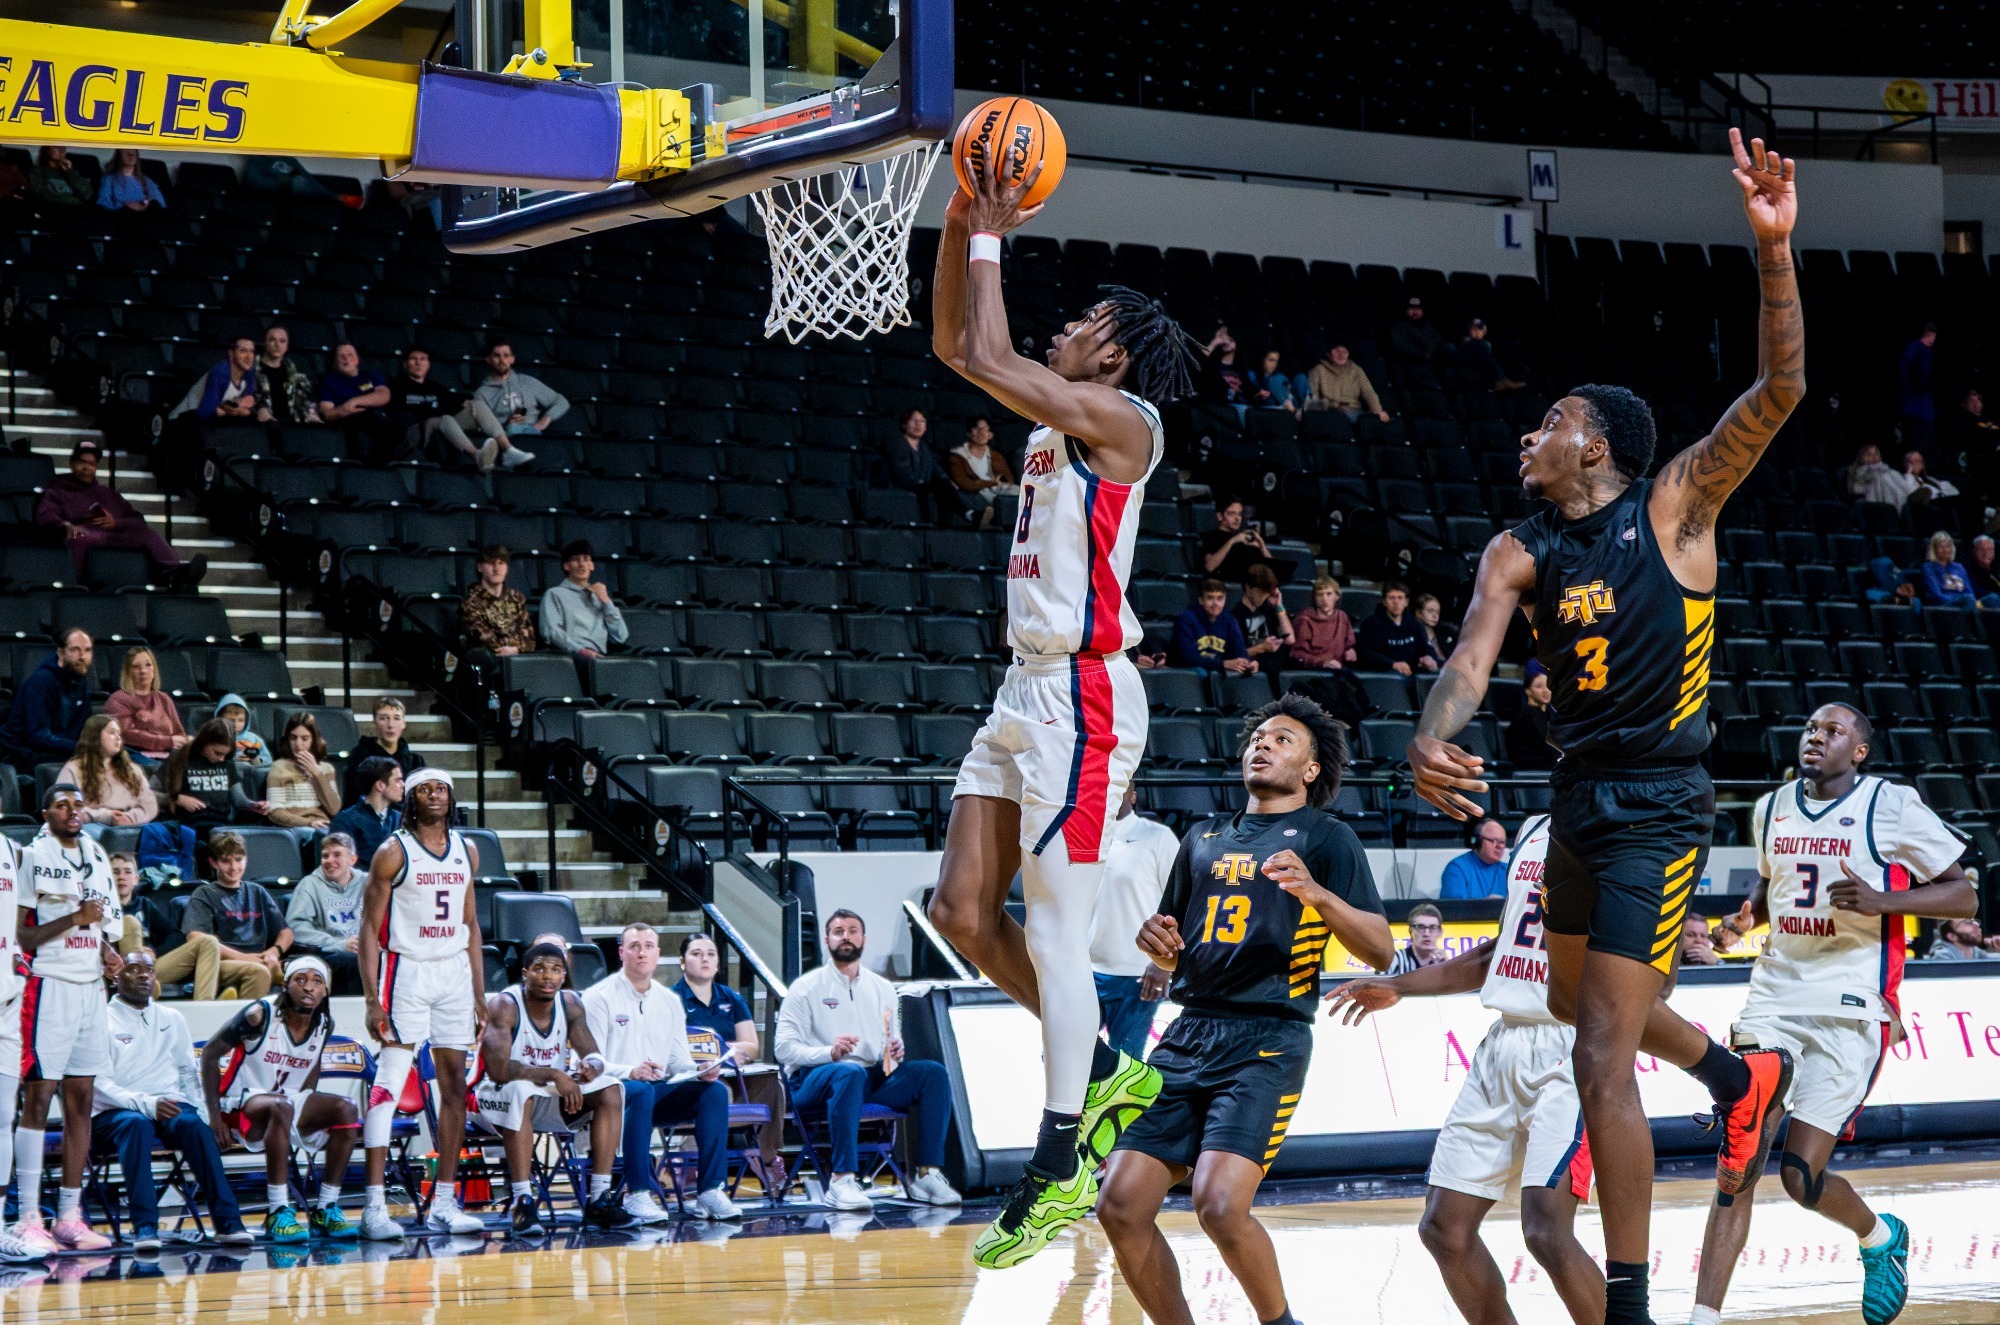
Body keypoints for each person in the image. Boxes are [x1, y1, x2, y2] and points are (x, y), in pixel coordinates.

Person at [1406, 129, 1803, 1325]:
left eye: (1551, 418)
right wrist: (1429, 730)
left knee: (1596, 1052)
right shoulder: (1515, 547)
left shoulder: (1673, 505)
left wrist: (1772, 253)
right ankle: (1737, 1076)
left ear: (1600, 441)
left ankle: (1627, 1304)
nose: (1530, 433)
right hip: (1573, 798)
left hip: (1660, 804)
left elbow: (1778, 391)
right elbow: (1470, 659)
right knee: (1592, 1011)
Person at [928, 154, 1198, 1268]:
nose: (1065, 329)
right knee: (956, 907)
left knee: (1047, 926)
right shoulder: (1052, 416)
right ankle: (1096, 1074)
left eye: (1084, 321)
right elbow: (957, 347)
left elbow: (986, 350)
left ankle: (1058, 1156)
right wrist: (957, 220)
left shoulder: (1121, 420)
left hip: (1083, 690)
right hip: (1021, 684)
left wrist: (990, 231)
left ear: (1115, 355)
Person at [1097, 695, 1391, 1320]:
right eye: (1258, 736)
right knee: (1119, 1205)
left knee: (1220, 1205)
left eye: (1283, 740)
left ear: (1311, 770)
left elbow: (1382, 950)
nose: (1263, 744)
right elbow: (1173, 940)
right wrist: (1159, 949)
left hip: (1268, 1039)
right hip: (1189, 1032)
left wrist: (1316, 894)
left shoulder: (1327, 837)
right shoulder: (1201, 836)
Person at [1690, 703, 1976, 1325]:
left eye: (1833, 731)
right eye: (1812, 728)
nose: (1816, 737)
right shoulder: (1771, 808)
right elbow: (1773, 892)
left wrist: (1884, 900)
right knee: (1740, 1159)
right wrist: (1745, 920)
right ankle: (1701, 1317)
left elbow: (1964, 892)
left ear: (1861, 751)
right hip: (1774, 1000)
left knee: (1800, 1178)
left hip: (1850, 1008)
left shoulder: (1890, 805)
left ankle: (1879, 1237)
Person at [1326, 817, 1604, 1325]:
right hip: (1503, 1043)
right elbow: (1493, 956)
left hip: (1568, 1047)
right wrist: (1401, 986)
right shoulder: (1536, 827)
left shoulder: (1619, 827)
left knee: (1546, 1232)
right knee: (1443, 1229)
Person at [357, 768, 486, 1239]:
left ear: (452, 797)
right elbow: (369, 930)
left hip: (452, 972)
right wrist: (373, 999)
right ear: (409, 799)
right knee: (390, 1081)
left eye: (442, 788)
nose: (435, 795)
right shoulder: (393, 851)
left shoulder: (467, 850)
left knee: (454, 1085)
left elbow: (471, 926)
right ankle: (374, 1208)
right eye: (425, 789)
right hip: (406, 971)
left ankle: (446, 1202)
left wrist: (478, 991)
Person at [776, 911, 962, 1214]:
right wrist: (828, 1052)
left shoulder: (883, 987)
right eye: (838, 931)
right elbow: (783, 1049)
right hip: (814, 1080)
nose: (845, 936)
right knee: (847, 1072)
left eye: (852, 931)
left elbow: (888, 1042)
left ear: (864, 939)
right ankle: (842, 1180)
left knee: (932, 1073)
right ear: (827, 940)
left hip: (869, 1077)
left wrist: (895, 1052)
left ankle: (927, 1175)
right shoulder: (805, 987)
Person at [13, 784, 122, 1253]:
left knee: (82, 1102)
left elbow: (102, 921)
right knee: (38, 1101)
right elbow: (23, 935)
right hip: (48, 986)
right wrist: (75, 920)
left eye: (78, 804)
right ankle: (27, 1217)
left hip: (90, 990)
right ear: (45, 812)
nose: (72, 811)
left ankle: (70, 1216)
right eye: (62, 805)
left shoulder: (97, 853)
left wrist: (107, 948)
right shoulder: (31, 857)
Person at [578, 922, 740, 1224]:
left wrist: (699, 1069)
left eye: (649, 946)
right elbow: (592, 1061)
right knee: (639, 1090)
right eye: (635, 946)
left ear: (658, 954)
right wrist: (631, 1071)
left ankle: (710, 1190)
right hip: (611, 1095)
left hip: (656, 1091)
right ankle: (638, 1193)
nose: (642, 953)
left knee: (715, 1091)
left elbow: (679, 1060)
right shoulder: (597, 997)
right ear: (622, 953)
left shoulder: (669, 1001)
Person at [95, 949, 254, 1253]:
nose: (144, 975)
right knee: (136, 1125)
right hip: (117, 1111)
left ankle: (228, 1223)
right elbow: (97, 1084)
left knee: (194, 1125)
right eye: (134, 969)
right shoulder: (100, 1019)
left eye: (149, 970)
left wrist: (208, 1117)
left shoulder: (172, 1018)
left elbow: (187, 1073)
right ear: (115, 976)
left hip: (169, 1103)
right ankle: (144, 1226)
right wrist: (145, 1103)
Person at [201, 956, 362, 1242]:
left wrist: (309, 1098)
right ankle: (278, 1211)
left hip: (286, 1102)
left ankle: (326, 1207)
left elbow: (312, 1064)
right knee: (282, 1106)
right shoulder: (258, 1015)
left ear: (325, 991)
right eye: (300, 979)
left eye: (317, 981)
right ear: (286, 985)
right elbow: (210, 1055)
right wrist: (214, 1117)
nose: (309, 987)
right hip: (241, 1102)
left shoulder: (324, 1023)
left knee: (346, 1109)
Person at [476, 943, 631, 1236]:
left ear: (563, 976)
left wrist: (591, 1069)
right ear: (525, 974)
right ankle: (523, 1201)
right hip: (492, 1098)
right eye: (539, 969)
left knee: (611, 1088)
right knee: (520, 1091)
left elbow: (594, 1055)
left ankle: (598, 1198)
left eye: (556, 970)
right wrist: (554, 1073)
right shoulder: (504, 1004)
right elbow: (498, 1071)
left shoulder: (571, 1003)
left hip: (545, 1095)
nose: (548, 976)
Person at [673, 931, 788, 1193]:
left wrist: (716, 1050)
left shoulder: (731, 998)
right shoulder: (671, 999)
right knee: (717, 1091)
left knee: (774, 1083)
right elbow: (674, 1048)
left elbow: (751, 1045)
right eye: (696, 953)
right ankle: (692, 1160)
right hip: (694, 1078)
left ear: (717, 964)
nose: (705, 959)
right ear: (682, 962)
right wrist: (721, 1052)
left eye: (711, 954)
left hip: (736, 1074)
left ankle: (766, 1158)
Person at [1088, 786, 1181, 1059]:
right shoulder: (1079, 838)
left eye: (1120, 785)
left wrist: (1164, 964)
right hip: (1084, 971)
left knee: (1126, 1065)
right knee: (1063, 1057)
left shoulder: (1158, 838)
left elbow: (1182, 902)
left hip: (1139, 975)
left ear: (1133, 795)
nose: (1109, 791)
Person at [36, 439, 203, 586]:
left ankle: (176, 574)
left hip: (113, 535)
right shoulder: (56, 489)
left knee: (146, 532)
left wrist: (117, 522)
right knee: (78, 536)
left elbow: (137, 519)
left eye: (91, 464)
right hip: (84, 534)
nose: (86, 468)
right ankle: (77, 586)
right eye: (82, 462)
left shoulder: (108, 494)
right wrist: (64, 524)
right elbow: (45, 515)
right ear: (72, 464)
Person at [182, 832, 293, 1000]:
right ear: (213, 863)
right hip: (220, 964)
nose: (234, 867)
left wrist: (274, 951)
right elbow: (196, 938)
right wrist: (249, 959)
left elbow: (286, 933)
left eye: (239, 859)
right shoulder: (204, 893)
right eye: (226, 861)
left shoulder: (257, 891)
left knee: (309, 969)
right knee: (259, 971)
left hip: (261, 958)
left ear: (246, 859)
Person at [0, 832, 39, 1261]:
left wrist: (18, 952)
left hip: (7, 1000)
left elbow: (21, 917)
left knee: (3, 1116)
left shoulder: (12, 849)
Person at [385, 346, 512, 473]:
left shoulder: (435, 387)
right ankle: (476, 455)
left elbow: (459, 403)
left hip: (437, 430)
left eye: (423, 359)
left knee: (477, 406)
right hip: (411, 433)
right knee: (444, 419)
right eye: (413, 359)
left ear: (428, 364)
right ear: (405, 364)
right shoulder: (395, 384)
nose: (418, 362)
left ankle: (509, 450)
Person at [0, 629, 94, 789]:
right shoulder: (40, 682)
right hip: (22, 754)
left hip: (58, 750)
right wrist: (80, 747)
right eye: (75, 650)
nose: (82, 656)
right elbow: (37, 737)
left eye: (87, 650)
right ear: (61, 652)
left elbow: (86, 727)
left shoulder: (80, 681)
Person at [287, 833, 366, 993]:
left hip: (366, 948)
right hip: (328, 952)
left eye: (337, 855)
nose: (330, 860)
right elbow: (295, 927)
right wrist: (339, 944)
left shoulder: (369, 883)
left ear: (352, 859)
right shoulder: (309, 885)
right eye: (325, 856)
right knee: (350, 961)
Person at [58, 714, 158, 839]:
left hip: (133, 825)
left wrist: (130, 818)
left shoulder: (133, 770)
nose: (117, 738)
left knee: (161, 833)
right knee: (90, 834)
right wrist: (107, 816)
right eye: (112, 733)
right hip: (94, 825)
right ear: (95, 737)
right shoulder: (73, 769)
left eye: (119, 734)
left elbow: (149, 805)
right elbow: (65, 807)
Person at [159, 719, 256, 829]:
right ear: (204, 742)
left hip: (221, 825)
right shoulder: (180, 757)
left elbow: (239, 800)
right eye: (217, 753)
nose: (221, 759)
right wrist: (176, 799)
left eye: (225, 755)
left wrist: (253, 805)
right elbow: (150, 794)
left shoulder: (226, 762)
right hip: (187, 825)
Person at [473, 338, 557, 466]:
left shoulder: (526, 381)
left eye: (506, 356)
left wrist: (546, 419)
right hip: (507, 437)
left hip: (531, 433)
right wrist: (507, 423)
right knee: (512, 429)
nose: (502, 360)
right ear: (488, 360)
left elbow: (560, 401)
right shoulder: (481, 393)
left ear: (512, 359)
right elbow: (485, 425)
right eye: (497, 356)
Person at [540, 540, 628, 660]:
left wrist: (607, 602)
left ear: (592, 565)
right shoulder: (554, 594)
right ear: (566, 566)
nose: (582, 564)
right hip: (571, 655)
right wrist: (580, 651)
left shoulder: (599, 596)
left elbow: (620, 636)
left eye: (586, 559)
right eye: (576, 560)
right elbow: (551, 633)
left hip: (599, 657)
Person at [265, 711, 341, 845]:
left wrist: (316, 774)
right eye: (293, 738)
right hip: (294, 829)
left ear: (314, 740)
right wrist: (309, 823)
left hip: (323, 828)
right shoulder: (279, 767)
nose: (298, 745)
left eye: (304, 739)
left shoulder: (326, 769)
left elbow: (334, 809)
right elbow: (275, 812)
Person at [105, 646, 189, 766]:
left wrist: (183, 741)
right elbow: (126, 734)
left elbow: (179, 733)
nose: (143, 671)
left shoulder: (164, 699)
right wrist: (168, 741)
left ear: (154, 669)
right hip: (134, 757)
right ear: (127, 671)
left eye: (148, 665)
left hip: (168, 757)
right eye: (136, 667)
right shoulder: (118, 699)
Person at [316, 343, 396, 461]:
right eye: (341, 356)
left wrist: (353, 402)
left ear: (357, 359)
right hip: (351, 423)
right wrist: (345, 409)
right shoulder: (329, 381)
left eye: (350, 355)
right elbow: (328, 413)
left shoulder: (371, 376)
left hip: (379, 421)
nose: (346, 358)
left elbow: (384, 396)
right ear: (334, 362)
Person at [344, 697, 427, 805]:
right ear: (374, 723)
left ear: (403, 723)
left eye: (396, 718)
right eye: (383, 718)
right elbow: (355, 796)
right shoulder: (360, 756)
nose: (390, 725)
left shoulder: (415, 761)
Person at [945, 415, 1020, 529]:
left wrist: (1000, 481)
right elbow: (964, 482)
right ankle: (987, 520)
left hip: (997, 486)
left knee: (1022, 492)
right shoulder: (957, 456)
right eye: (978, 429)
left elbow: (1007, 477)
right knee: (993, 499)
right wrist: (990, 483)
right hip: (979, 488)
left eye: (986, 429)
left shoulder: (995, 455)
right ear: (970, 433)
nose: (982, 433)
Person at [328, 758, 404, 866]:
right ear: (380, 785)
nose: (403, 784)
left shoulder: (401, 819)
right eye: (397, 780)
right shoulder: (345, 821)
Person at [1170, 580, 1256, 674]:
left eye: (1220, 598)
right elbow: (1188, 657)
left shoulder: (1230, 620)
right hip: (1189, 671)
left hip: (1218, 670)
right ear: (1201, 600)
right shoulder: (1186, 620)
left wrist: (1247, 663)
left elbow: (1240, 650)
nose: (1215, 603)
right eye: (1210, 598)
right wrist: (1223, 664)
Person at [1356, 582, 1432, 675]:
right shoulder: (1371, 624)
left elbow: (1425, 648)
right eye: (1391, 598)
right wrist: (1393, 664)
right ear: (1384, 602)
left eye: (1400, 598)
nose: (1396, 602)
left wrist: (1427, 658)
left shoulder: (1415, 624)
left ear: (1406, 602)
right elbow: (1366, 653)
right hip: (1384, 676)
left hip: (1411, 676)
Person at [1230, 564, 1294, 667]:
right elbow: (1235, 655)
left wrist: (1279, 606)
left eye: (1266, 593)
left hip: (1275, 666)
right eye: (1260, 592)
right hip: (1255, 668)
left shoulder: (1269, 609)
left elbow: (1290, 639)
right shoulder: (1235, 616)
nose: (1263, 597)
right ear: (1248, 588)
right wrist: (1262, 647)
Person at [1307, 344, 1389, 423]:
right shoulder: (1318, 370)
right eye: (1337, 351)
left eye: (1344, 352)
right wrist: (1330, 407)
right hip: (1328, 411)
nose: (1341, 355)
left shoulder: (1356, 370)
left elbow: (1368, 392)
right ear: (1328, 353)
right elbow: (1312, 399)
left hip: (1353, 410)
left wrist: (1378, 411)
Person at [253, 325, 317, 425]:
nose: (277, 345)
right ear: (265, 342)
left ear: (287, 346)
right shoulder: (252, 371)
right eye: (272, 340)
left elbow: (307, 405)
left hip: (291, 427)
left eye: (282, 341)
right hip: (262, 427)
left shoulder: (296, 376)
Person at [1289, 577, 1356, 671]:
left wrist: (1350, 650)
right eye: (1319, 595)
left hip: (1337, 668)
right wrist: (1322, 663)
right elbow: (1298, 654)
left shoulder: (1342, 616)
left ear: (1336, 596)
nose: (1324, 599)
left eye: (1329, 594)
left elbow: (1348, 644)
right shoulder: (1305, 619)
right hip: (1313, 670)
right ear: (1314, 598)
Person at [194, 337, 261, 421]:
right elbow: (205, 412)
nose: (249, 356)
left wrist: (235, 408)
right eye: (243, 351)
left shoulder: (250, 371)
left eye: (251, 351)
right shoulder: (221, 372)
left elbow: (246, 409)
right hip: (187, 419)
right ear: (231, 353)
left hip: (218, 424)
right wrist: (229, 409)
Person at [1440, 818, 1510, 899]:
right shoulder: (1457, 868)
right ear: (1478, 841)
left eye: (1502, 842)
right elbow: (1454, 909)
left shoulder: (1509, 871)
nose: (1499, 846)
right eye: (1492, 841)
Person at [1199, 500, 1271, 578]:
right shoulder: (1210, 537)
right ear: (1220, 516)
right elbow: (1209, 567)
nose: (1237, 518)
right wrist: (1233, 541)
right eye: (1232, 514)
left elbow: (1272, 573)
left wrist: (1262, 546)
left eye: (1239, 514)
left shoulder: (1246, 540)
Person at [1506, 666, 1556, 769]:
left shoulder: (1550, 715)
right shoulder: (1525, 716)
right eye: (1539, 686)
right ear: (1528, 690)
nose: (1545, 690)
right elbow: (1549, 747)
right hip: (1533, 771)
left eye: (1548, 686)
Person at [1897, 323, 1937, 451]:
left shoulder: (1925, 351)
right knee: (1916, 435)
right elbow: (1907, 370)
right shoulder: (1916, 349)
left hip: (1921, 403)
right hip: (1914, 402)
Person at [1459, 318, 1526, 392]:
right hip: (1465, 360)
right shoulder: (1468, 342)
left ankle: (1504, 380)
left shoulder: (1485, 343)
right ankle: (1500, 380)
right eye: (1473, 329)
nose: (1477, 331)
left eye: (1479, 329)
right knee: (1476, 344)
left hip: (1480, 365)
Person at [1919, 531, 1978, 609]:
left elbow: (1970, 592)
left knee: (1992, 598)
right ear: (1934, 549)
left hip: (1964, 603)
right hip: (1942, 607)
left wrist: (1966, 599)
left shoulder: (1959, 567)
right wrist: (1960, 599)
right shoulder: (1928, 568)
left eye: (1948, 546)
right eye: (1941, 546)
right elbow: (1937, 596)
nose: (1945, 550)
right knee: (1967, 601)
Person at [95, 148, 165, 212]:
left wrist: (144, 205)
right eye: (127, 152)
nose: (131, 155)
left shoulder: (145, 180)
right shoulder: (109, 180)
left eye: (133, 152)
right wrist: (125, 206)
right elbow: (103, 204)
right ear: (118, 155)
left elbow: (161, 204)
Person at [1389, 903, 1450, 974]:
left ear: (1440, 932)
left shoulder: (1443, 962)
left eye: (1433, 928)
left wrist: (1447, 968)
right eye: (1421, 927)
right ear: (1410, 931)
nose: (1427, 934)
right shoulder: (1396, 959)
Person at [214, 692, 272, 767]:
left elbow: (268, 760)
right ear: (220, 719)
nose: (236, 724)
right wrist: (233, 759)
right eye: (231, 720)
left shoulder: (254, 739)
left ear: (247, 721)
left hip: (251, 772)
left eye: (241, 720)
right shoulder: (215, 738)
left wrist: (256, 759)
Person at [28, 145, 93, 208]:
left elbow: (87, 194)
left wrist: (70, 172)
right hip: (53, 209)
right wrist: (70, 201)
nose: (61, 150)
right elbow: (39, 194)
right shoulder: (38, 170)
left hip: (75, 210)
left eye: (63, 148)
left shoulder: (69, 170)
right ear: (47, 150)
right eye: (57, 147)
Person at [1846, 443, 1909, 507]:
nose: (1873, 457)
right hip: (1871, 498)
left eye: (1876, 453)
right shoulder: (1859, 470)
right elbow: (1856, 489)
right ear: (1862, 457)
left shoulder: (1885, 468)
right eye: (1869, 454)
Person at [1391, 295, 1446, 366]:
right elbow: (1403, 347)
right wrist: (1423, 354)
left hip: (1434, 355)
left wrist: (1432, 351)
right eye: (1411, 309)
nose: (1415, 312)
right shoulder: (1399, 327)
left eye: (1417, 309)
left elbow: (1438, 338)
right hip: (1414, 362)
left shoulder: (1426, 322)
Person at [1926, 916, 1998, 960]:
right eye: (1967, 922)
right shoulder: (1942, 958)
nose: (1976, 925)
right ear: (1952, 936)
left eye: (1975, 921)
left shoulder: (1980, 955)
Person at [1413, 593, 1452, 668]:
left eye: (1437, 612)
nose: (1435, 616)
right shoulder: (1412, 633)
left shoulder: (1445, 633)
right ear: (1418, 613)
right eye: (1430, 611)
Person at [1965, 535, 2000, 608]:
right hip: (1982, 603)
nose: (1985, 553)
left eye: (1989, 549)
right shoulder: (1968, 569)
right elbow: (1977, 591)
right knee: (1993, 598)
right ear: (1974, 551)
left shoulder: (1996, 569)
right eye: (1981, 549)